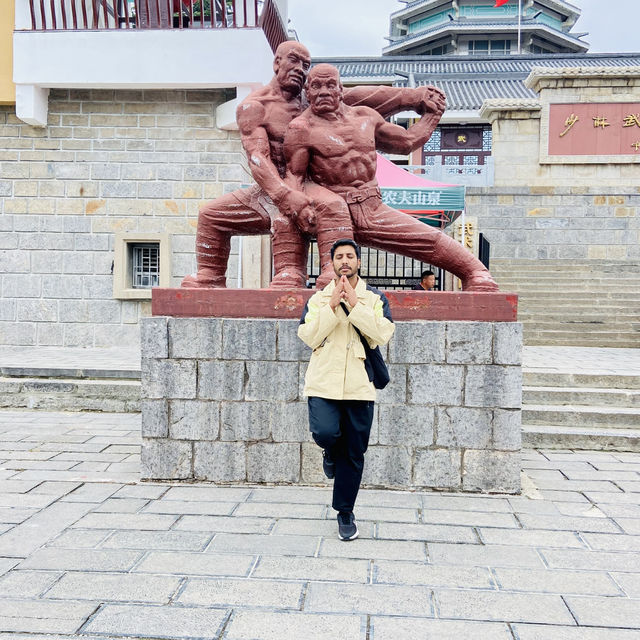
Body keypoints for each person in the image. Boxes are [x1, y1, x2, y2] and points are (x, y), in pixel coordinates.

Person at [182, 41, 447, 289]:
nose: (300, 69)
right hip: (271, 187)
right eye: (294, 61)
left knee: (326, 205)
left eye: (305, 65)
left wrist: (413, 97)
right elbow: (258, 158)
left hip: (317, 186)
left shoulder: (312, 97)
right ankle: (210, 275)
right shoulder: (255, 107)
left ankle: (312, 272)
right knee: (211, 215)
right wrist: (284, 195)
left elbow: (361, 97)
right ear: (277, 63)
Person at [284, 64, 499, 292]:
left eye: (329, 85)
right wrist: (301, 207)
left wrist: (433, 115)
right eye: (316, 86)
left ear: (340, 89)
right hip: (333, 208)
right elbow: (294, 175)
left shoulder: (365, 116)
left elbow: (405, 142)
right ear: (307, 91)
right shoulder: (300, 128)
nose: (323, 92)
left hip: (371, 204)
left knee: (429, 240)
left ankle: (476, 272)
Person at [298, 239, 394, 541]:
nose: (344, 261)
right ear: (331, 263)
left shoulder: (374, 299)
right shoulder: (317, 300)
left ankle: (345, 512)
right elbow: (309, 336)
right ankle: (329, 451)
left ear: (359, 263)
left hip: (359, 387)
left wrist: (354, 304)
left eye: (350, 256)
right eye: (339, 257)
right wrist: (331, 306)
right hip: (323, 383)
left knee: (354, 454)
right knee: (325, 433)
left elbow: (381, 334)